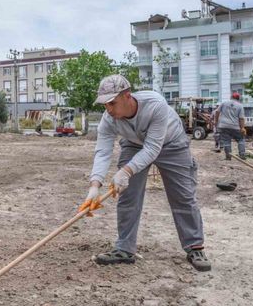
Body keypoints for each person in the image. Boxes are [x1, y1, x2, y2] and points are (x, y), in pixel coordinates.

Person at [79, 75, 210, 271]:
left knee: (182, 195)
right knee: (127, 195)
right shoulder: (109, 119)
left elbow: (152, 148)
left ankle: (194, 246)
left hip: (170, 143)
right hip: (133, 143)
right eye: (104, 105)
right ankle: (124, 248)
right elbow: (103, 151)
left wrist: (126, 171)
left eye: (112, 103)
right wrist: (94, 185)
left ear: (127, 96)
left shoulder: (155, 104)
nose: (108, 109)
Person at [214, 92, 246, 160]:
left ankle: (228, 157)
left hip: (223, 126)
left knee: (226, 141)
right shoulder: (240, 106)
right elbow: (241, 118)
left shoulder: (224, 103)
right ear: (238, 98)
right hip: (235, 126)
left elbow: (217, 112)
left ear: (231, 97)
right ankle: (242, 155)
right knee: (241, 139)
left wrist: (216, 122)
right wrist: (242, 128)